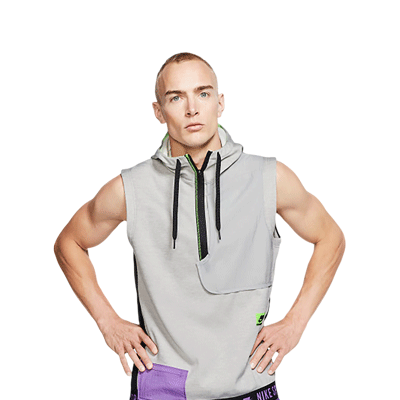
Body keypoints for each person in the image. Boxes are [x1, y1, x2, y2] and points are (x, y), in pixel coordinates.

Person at [54, 52, 346, 400]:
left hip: (249, 383)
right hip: (164, 388)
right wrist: (108, 322)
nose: (192, 108)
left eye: (203, 93)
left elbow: (330, 237)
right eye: (176, 98)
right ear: (159, 111)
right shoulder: (132, 187)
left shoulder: (268, 178)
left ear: (220, 103)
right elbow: (69, 243)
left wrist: (295, 322)